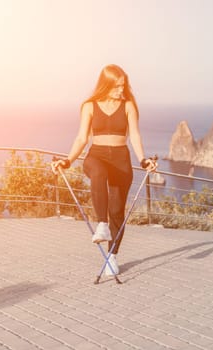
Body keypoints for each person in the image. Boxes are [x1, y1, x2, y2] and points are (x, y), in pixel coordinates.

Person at [51, 64, 157, 276]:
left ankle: (112, 256)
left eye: (123, 86)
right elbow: (82, 137)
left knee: (117, 211)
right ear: (105, 85)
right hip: (96, 155)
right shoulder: (89, 106)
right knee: (97, 173)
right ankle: (102, 225)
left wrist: (143, 159)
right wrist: (68, 160)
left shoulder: (128, 106)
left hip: (121, 158)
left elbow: (135, 136)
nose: (121, 90)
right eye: (117, 87)